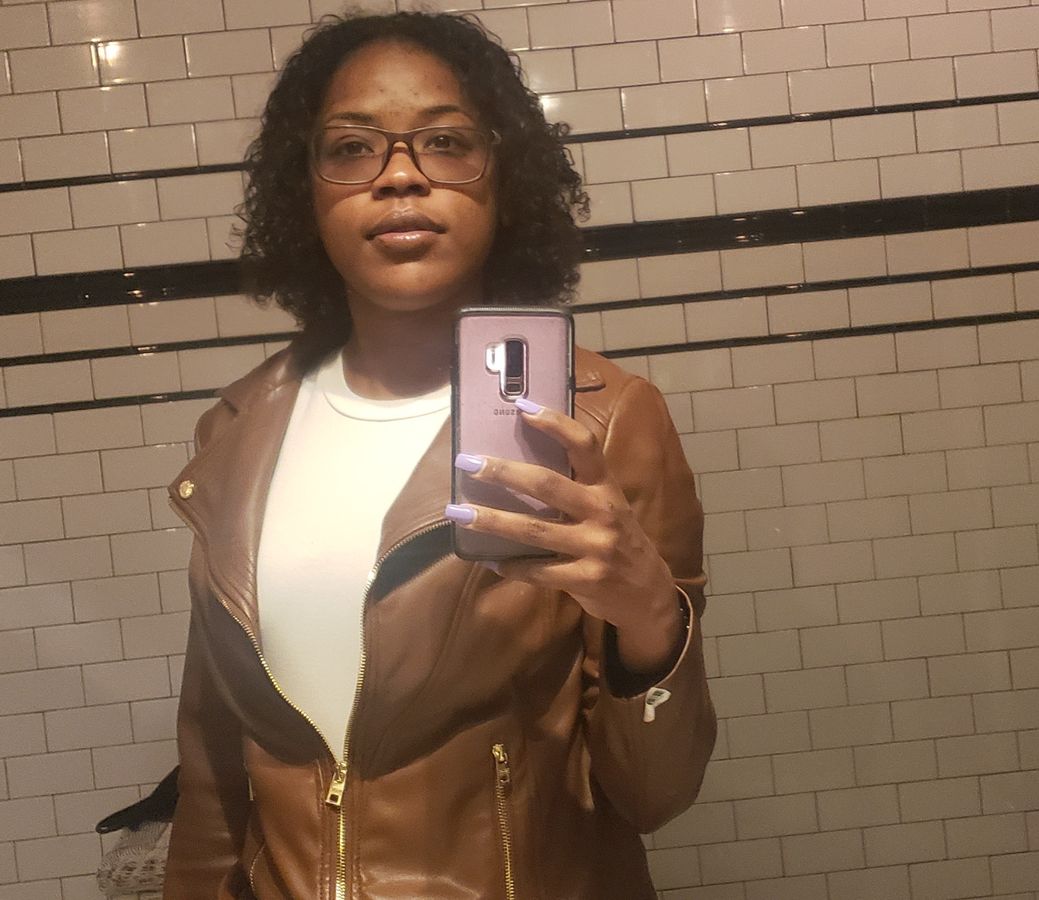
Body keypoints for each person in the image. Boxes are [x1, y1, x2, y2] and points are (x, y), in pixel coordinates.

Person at [163, 10, 716, 899]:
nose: (400, 176)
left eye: (446, 142)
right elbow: (213, 773)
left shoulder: (603, 423)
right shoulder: (238, 431)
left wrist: (651, 621)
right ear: (305, 193)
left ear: (506, 179)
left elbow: (654, 794)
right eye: (351, 148)